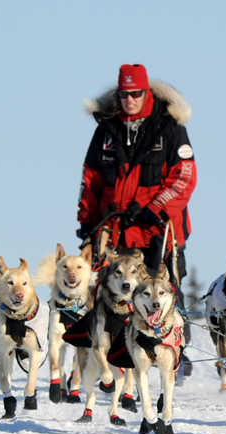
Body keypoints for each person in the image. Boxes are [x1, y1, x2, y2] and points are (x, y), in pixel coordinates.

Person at [75, 63, 197, 374]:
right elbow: (91, 180)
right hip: (116, 230)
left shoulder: (169, 127)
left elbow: (184, 177)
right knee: (112, 294)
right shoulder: (107, 130)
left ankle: (175, 347)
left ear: (147, 93)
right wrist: (87, 223)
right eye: (125, 95)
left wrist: (155, 207)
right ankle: (119, 359)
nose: (130, 100)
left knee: (164, 290)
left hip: (158, 229)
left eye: (136, 94)